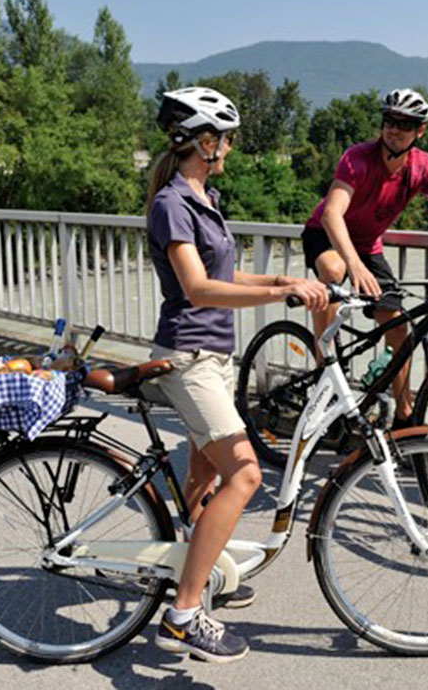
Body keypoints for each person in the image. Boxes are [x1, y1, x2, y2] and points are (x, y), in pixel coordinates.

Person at [146, 87, 328, 663]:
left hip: (216, 356)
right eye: (224, 139)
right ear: (205, 142)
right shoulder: (172, 204)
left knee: (203, 478)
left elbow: (227, 273)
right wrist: (279, 295)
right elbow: (199, 289)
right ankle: (182, 615)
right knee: (246, 474)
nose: (228, 148)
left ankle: (196, 571)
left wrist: (282, 282)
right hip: (189, 358)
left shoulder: (205, 198)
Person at [302, 88, 428, 423]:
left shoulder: (424, 167)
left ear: (420, 130)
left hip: (367, 246)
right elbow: (332, 214)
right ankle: (325, 363)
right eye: (390, 121)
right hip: (325, 236)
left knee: (398, 328)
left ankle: (404, 415)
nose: (395, 129)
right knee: (335, 270)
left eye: (405, 124)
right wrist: (355, 266)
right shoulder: (357, 158)